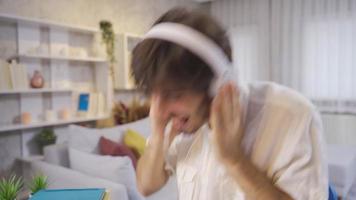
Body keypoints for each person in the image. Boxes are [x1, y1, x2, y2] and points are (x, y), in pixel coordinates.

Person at [132, 7, 328, 200]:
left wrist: (234, 159)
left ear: (219, 84)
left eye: (174, 95)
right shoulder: (177, 124)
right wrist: (158, 136)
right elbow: (146, 186)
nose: (160, 110)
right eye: (152, 94)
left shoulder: (292, 115)